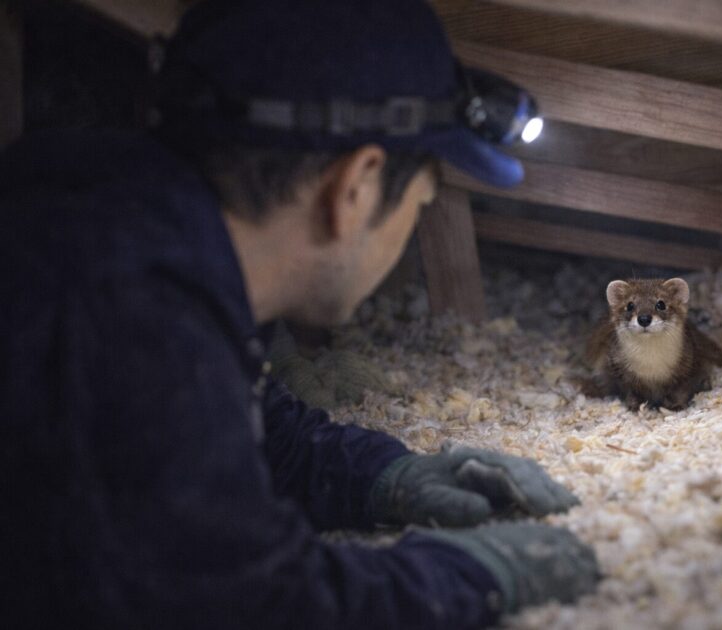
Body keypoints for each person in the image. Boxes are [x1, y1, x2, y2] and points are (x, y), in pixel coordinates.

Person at [0, 1, 599, 629]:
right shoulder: (122, 309)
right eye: (421, 202)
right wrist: (466, 577)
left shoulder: (121, 223)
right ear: (355, 189)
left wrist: (383, 476)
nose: (411, 222)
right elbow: (241, 605)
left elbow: (224, 431)